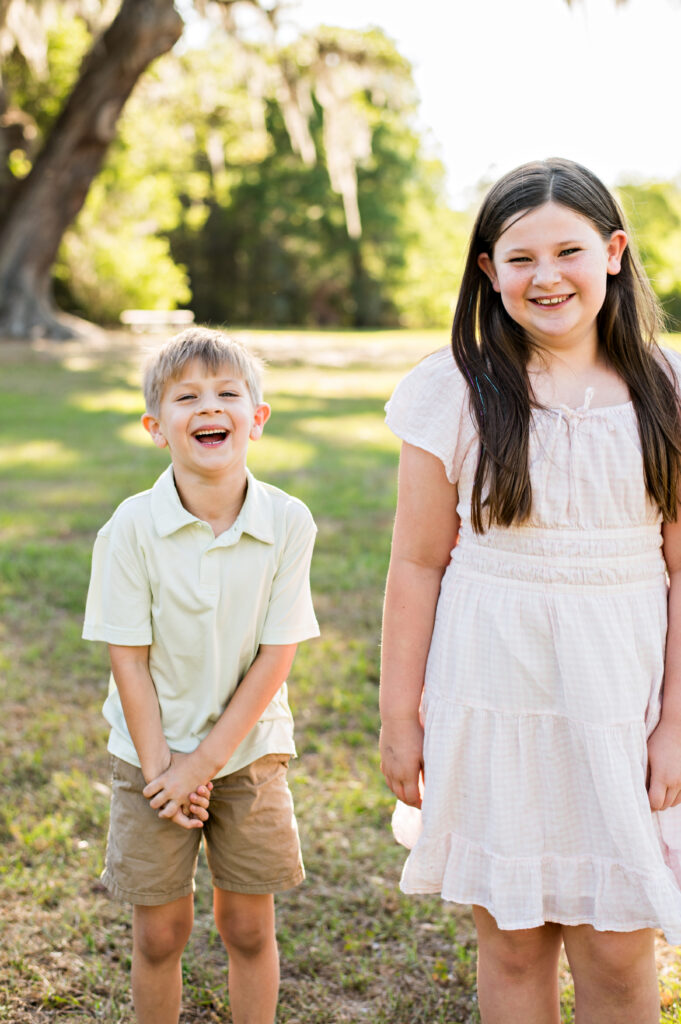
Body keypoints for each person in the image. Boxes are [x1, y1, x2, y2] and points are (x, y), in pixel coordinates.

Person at [379, 158, 681, 1024]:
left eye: (568, 251)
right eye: (519, 258)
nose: (544, 276)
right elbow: (416, 563)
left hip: (620, 704)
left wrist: (673, 720)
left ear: (613, 253)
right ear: (487, 270)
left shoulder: (664, 394)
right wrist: (400, 716)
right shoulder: (455, 390)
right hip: (491, 694)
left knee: (618, 952)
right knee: (510, 946)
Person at [83, 328, 319, 1024]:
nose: (208, 407)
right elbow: (127, 656)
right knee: (160, 933)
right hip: (148, 760)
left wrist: (204, 766)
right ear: (158, 427)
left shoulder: (287, 522)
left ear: (257, 417)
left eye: (226, 394)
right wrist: (166, 769)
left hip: (249, 754)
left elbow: (277, 655)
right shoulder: (129, 529)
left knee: (248, 927)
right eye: (186, 397)